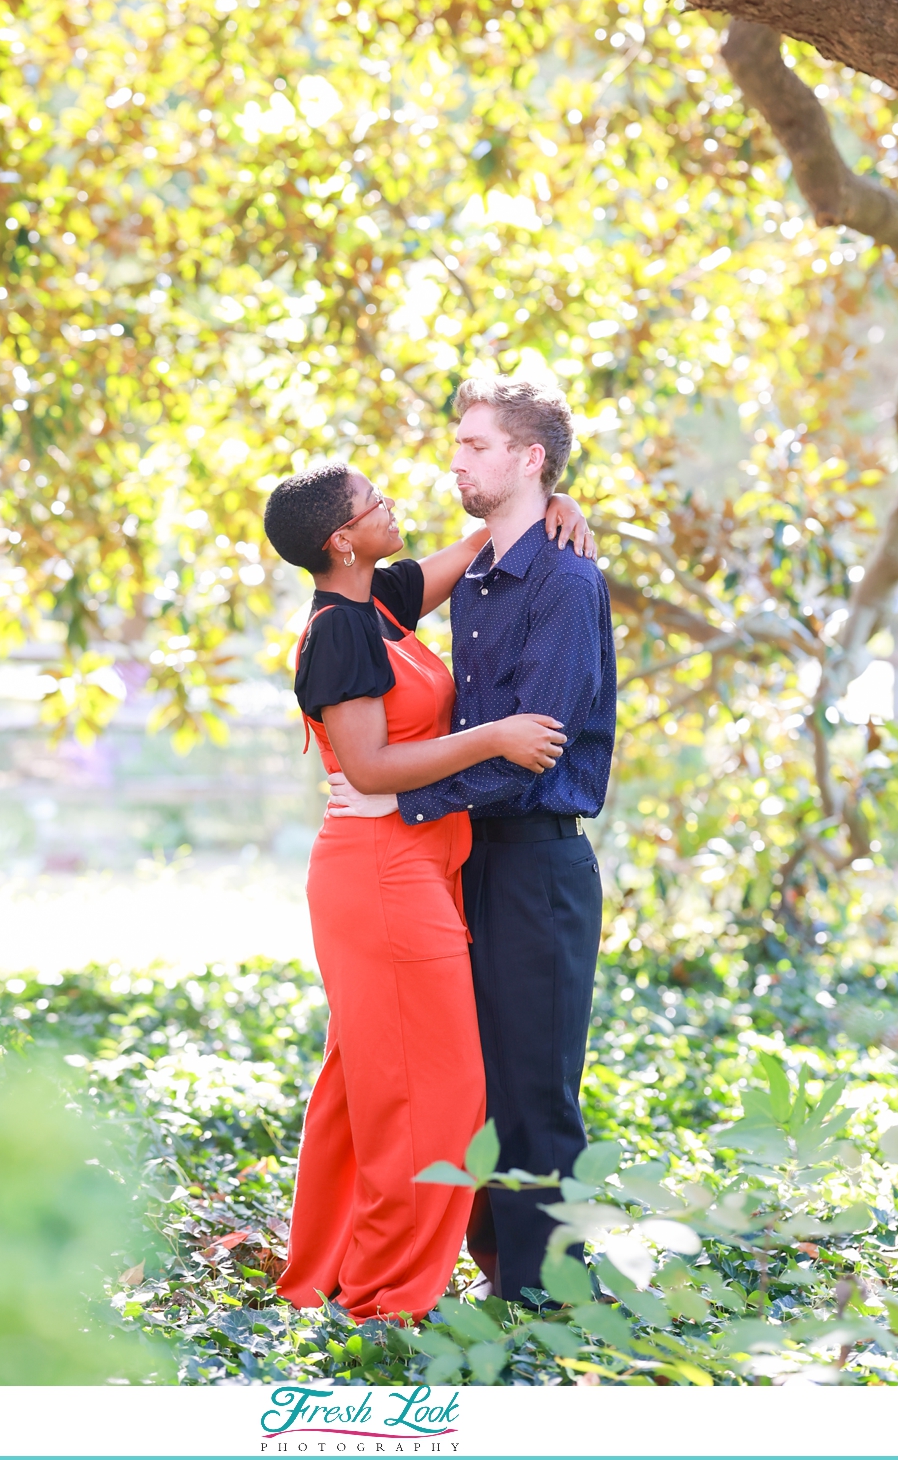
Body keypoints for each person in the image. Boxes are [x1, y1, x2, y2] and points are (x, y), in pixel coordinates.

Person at [262, 461, 593, 1323]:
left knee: (364, 1083)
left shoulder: (382, 600)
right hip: (381, 873)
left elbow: (486, 536)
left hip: (416, 866)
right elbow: (368, 764)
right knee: (437, 1096)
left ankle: (332, 1266)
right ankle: (385, 1295)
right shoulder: (338, 630)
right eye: (374, 503)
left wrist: (552, 502)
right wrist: (495, 736)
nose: (392, 504)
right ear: (342, 539)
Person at [327, 374, 615, 1307]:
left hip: (536, 863)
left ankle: (550, 1297)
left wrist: (404, 800)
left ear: (529, 458)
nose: (456, 459)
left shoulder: (567, 582)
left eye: (478, 445)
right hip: (461, 862)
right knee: (470, 1083)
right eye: (456, 444)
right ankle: (495, 1271)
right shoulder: (479, 579)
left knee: (535, 1085)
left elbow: (537, 743)